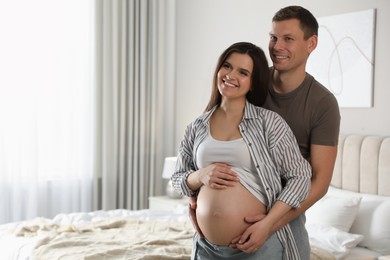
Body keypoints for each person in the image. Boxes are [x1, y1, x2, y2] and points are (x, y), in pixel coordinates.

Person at [171, 41, 312, 260]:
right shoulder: (196, 126)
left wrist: (267, 224)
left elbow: (300, 177)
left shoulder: (268, 123)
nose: (231, 75)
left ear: (253, 83)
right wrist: (200, 176)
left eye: (243, 72)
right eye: (227, 66)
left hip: (259, 246)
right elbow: (177, 178)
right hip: (208, 248)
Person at [229, 6, 341, 259]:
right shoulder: (250, 82)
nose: (276, 46)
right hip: (224, 232)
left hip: (280, 226)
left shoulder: (322, 103)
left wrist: (269, 224)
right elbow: (213, 133)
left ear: (311, 43)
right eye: (273, 37)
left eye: (288, 39)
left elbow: (320, 182)